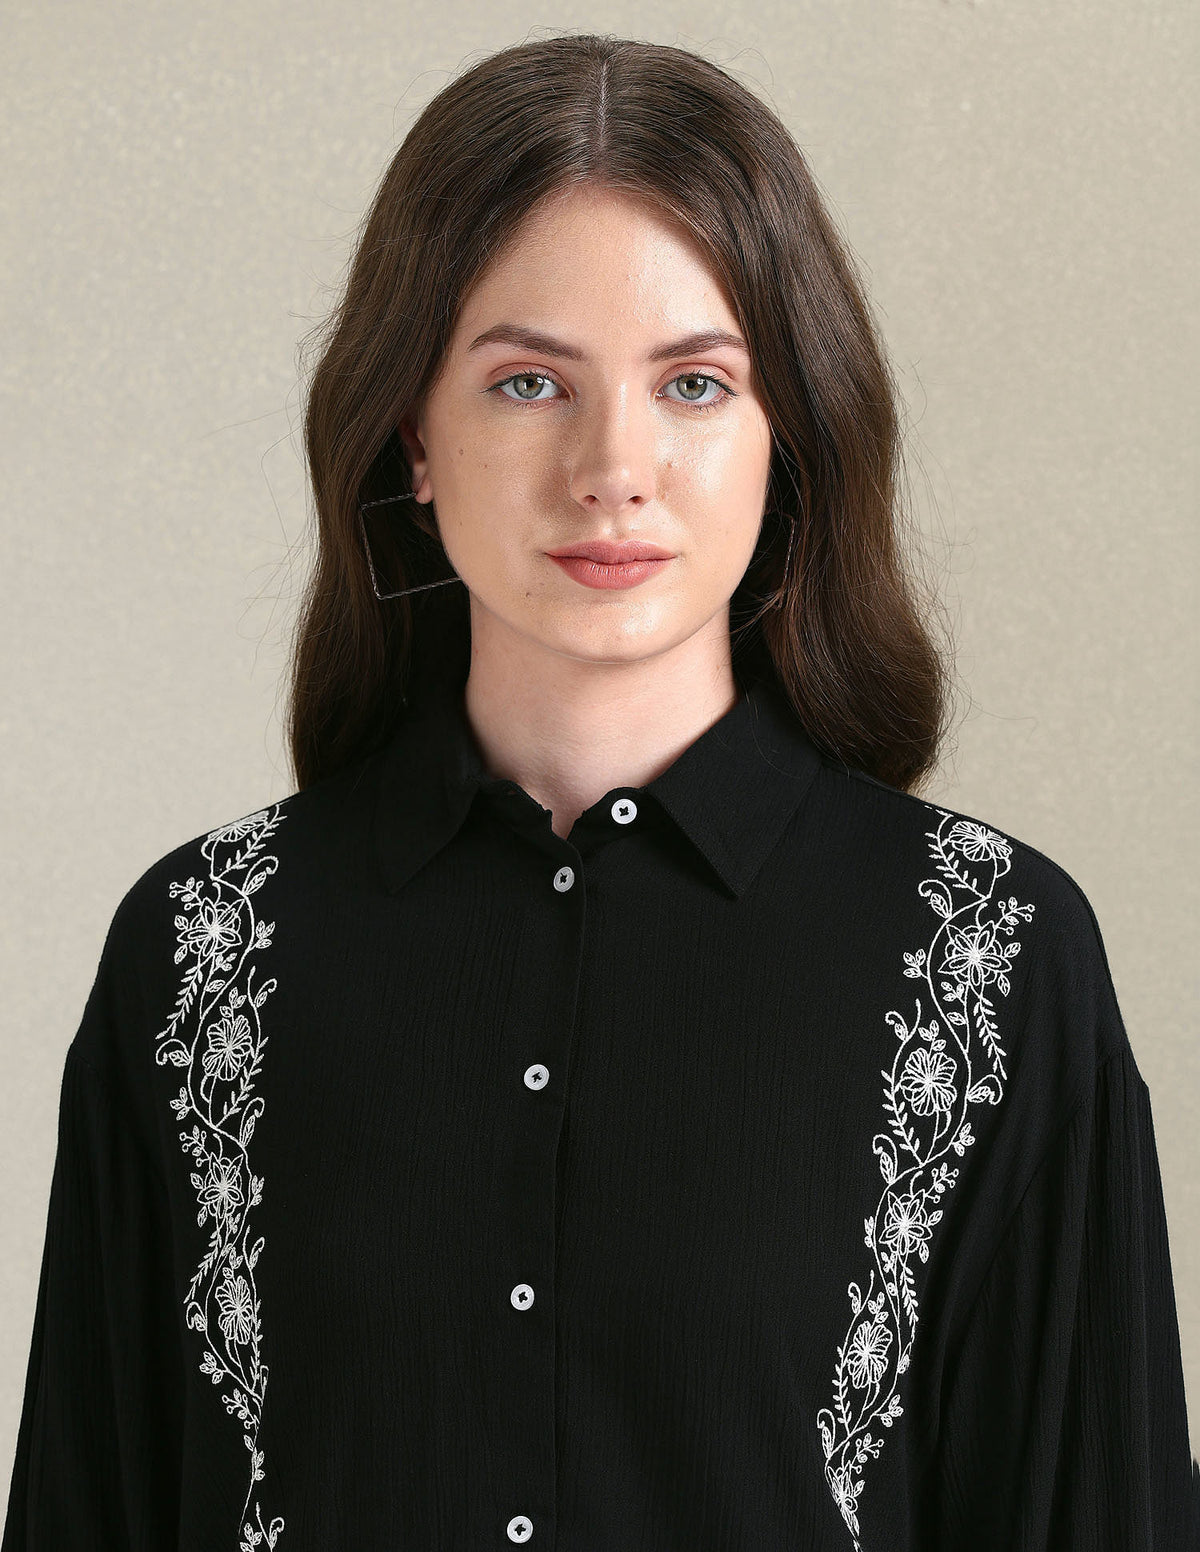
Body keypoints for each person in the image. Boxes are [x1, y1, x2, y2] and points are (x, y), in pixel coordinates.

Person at [3, 31, 1197, 1552]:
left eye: (695, 383)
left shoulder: (993, 957)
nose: (612, 467)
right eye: (527, 382)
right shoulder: (201, 953)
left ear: (787, 434)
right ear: (413, 436)